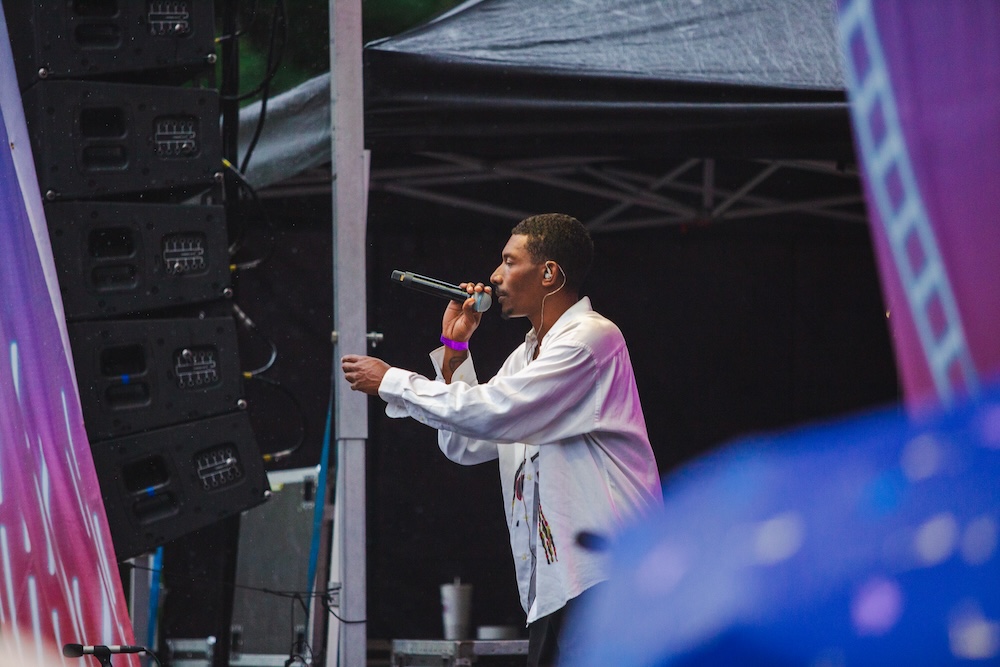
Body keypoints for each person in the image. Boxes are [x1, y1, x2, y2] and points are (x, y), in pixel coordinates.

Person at [341, 213, 663, 666]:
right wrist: (454, 351)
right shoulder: (528, 355)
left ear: (549, 273)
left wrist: (392, 380)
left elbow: (494, 412)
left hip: (607, 580)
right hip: (557, 588)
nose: (494, 276)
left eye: (509, 262)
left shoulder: (591, 339)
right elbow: (465, 444)